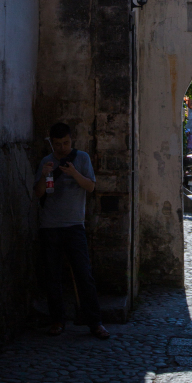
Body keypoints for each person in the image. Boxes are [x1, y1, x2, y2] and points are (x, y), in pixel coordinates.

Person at [35, 122, 110, 339]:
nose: (62, 148)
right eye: (58, 144)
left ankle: (95, 322)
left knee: (84, 275)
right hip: (50, 226)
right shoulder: (46, 161)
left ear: (71, 140)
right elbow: (39, 194)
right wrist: (44, 175)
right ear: (52, 142)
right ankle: (57, 320)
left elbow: (90, 186)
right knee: (52, 276)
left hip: (74, 225)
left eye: (66, 143)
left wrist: (74, 172)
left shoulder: (82, 158)